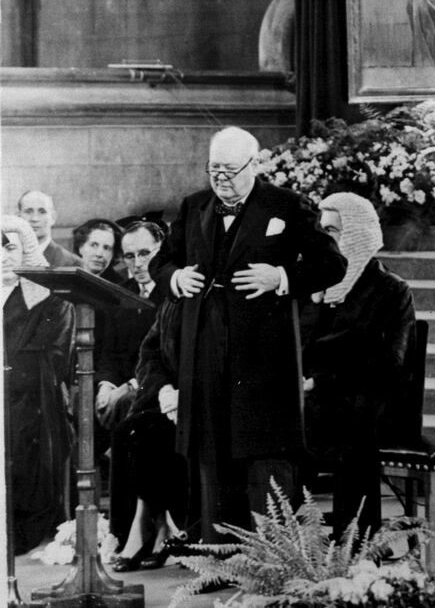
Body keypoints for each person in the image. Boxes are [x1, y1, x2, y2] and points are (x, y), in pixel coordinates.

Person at [154, 125, 346, 542]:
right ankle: (214, 555)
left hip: (262, 357)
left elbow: (332, 265)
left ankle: (269, 557)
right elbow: (161, 263)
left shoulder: (287, 205)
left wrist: (280, 276)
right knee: (210, 455)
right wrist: (175, 277)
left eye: (230, 171)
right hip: (205, 347)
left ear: (254, 165)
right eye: (213, 170)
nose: (220, 179)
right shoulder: (193, 206)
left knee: (264, 456)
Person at [300, 191, 416, 539]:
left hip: (371, 400)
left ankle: (355, 543)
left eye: (333, 231)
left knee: (321, 425)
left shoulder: (389, 290)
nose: (326, 239)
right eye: (322, 231)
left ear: (357, 234)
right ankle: (285, 542)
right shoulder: (315, 288)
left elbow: (388, 366)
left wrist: (319, 382)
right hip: (318, 399)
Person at [2, 215, 76, 555]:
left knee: (20, 436)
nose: (3, 256)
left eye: (10, 248)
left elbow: (54, 356)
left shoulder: (49, 299)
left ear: (26, 252)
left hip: (31, 398)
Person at [108, 299, 188, 571]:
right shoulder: (173, 299)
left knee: (150, 432)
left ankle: (143, 528)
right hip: (167, 397)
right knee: (126, 431)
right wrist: (164, 389)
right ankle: (156, 525)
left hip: (203, 400)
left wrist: (185, 395)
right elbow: (149, 354)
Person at [95, 221, 166, 434]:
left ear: (161, 250)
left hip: (157, 386)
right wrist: (105, 387)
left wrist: (131, 386)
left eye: (145, 253)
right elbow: (109, 353)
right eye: (130, 256)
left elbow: (168, 358)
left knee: (127, 404)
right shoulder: (118, 293)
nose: (138, 263)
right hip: (120, 385)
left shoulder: (174, 292)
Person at [17, 189, 81, 267]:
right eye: (28, 212)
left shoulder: (70, 263)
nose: (35, 218)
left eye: (42, 212)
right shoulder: (7, 257)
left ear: (53, 217)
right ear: (19, 217)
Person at [72, 218, 123, 282]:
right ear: (80, 248)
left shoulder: (122, 286)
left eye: (106, 248)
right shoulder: (65, 280)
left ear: (113, 254)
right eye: (94, 245)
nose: (99, 254)